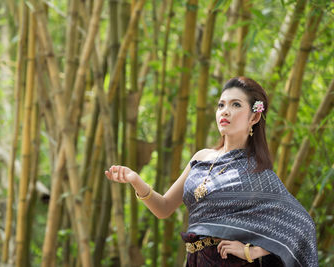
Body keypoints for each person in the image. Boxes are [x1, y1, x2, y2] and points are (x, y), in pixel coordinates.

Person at [105, 77, 318, 267]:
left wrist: (252, 251)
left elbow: (301, 226)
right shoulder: (201, 158)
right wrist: (135, 180)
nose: (225, 111)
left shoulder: (257, 172)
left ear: (254, 118)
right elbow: (164, 208)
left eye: (236, 105)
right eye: (221, 105)